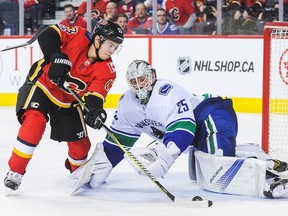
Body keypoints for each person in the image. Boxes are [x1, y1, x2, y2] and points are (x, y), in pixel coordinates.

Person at [72, 59, 288, 199]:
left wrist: (165, 158)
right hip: (198, 133)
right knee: (205, 170)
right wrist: (103, 163)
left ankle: (268, 181)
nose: (139, 86)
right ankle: (261, 160)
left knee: (217, 173)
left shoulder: (166, 92)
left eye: (142, 79)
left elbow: (184, 128)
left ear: (152, 76)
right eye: (134, 82)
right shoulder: (128, 104)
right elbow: (120, 140)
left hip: (212, 115)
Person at [3, 20, 124, 191]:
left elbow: (95, 97)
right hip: (42, 85)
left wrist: (94, 112)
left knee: (81, 145)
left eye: (116, 47)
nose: (112, 50)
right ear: (98, 39)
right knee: (34, 123)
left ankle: (77, 172)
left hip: (68, 101)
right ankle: (15, 171)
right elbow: (47, 33)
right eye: (110, 45)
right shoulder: (77, 35)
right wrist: (55, 55)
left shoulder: (108, 70)